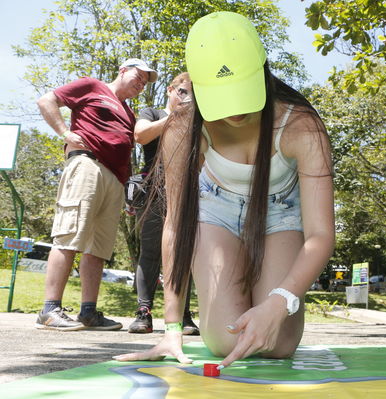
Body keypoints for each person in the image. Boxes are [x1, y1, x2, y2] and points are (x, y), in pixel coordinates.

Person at [114, 11, 334, 365]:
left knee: (276, 343)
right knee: (227, 340)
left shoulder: (302, 126)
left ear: (262, 70)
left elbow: (321, 235)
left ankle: (270, 284)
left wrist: (280, 302)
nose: (234, 111)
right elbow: (175, 225)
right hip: (215, 210)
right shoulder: (184, 126)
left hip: (280, 213)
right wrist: (171, 329)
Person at [35, 58, 158, 331]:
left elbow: (125, 152)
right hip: (87, 165)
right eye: (138, 76)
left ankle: (88, 312)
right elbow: (46, 101)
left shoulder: (129, 113)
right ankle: (49, 309)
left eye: (145, 81)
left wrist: (126, 191)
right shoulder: (92, 86)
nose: (141, 83)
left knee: (99, 248)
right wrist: (64, 132)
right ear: (123, 70)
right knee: (69, 235)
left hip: (114, 181)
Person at [128, 72, 199, 335]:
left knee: (184, 253)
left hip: (186, 193)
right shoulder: (153, 113)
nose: (185, 98)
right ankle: (143, 312)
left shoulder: (196, 121)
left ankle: (183, 314)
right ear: (170, 89)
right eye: (181, 91)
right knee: (149, 252)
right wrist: (175, 117)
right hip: (151, 192)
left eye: (191, 94)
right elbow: (140, 135)